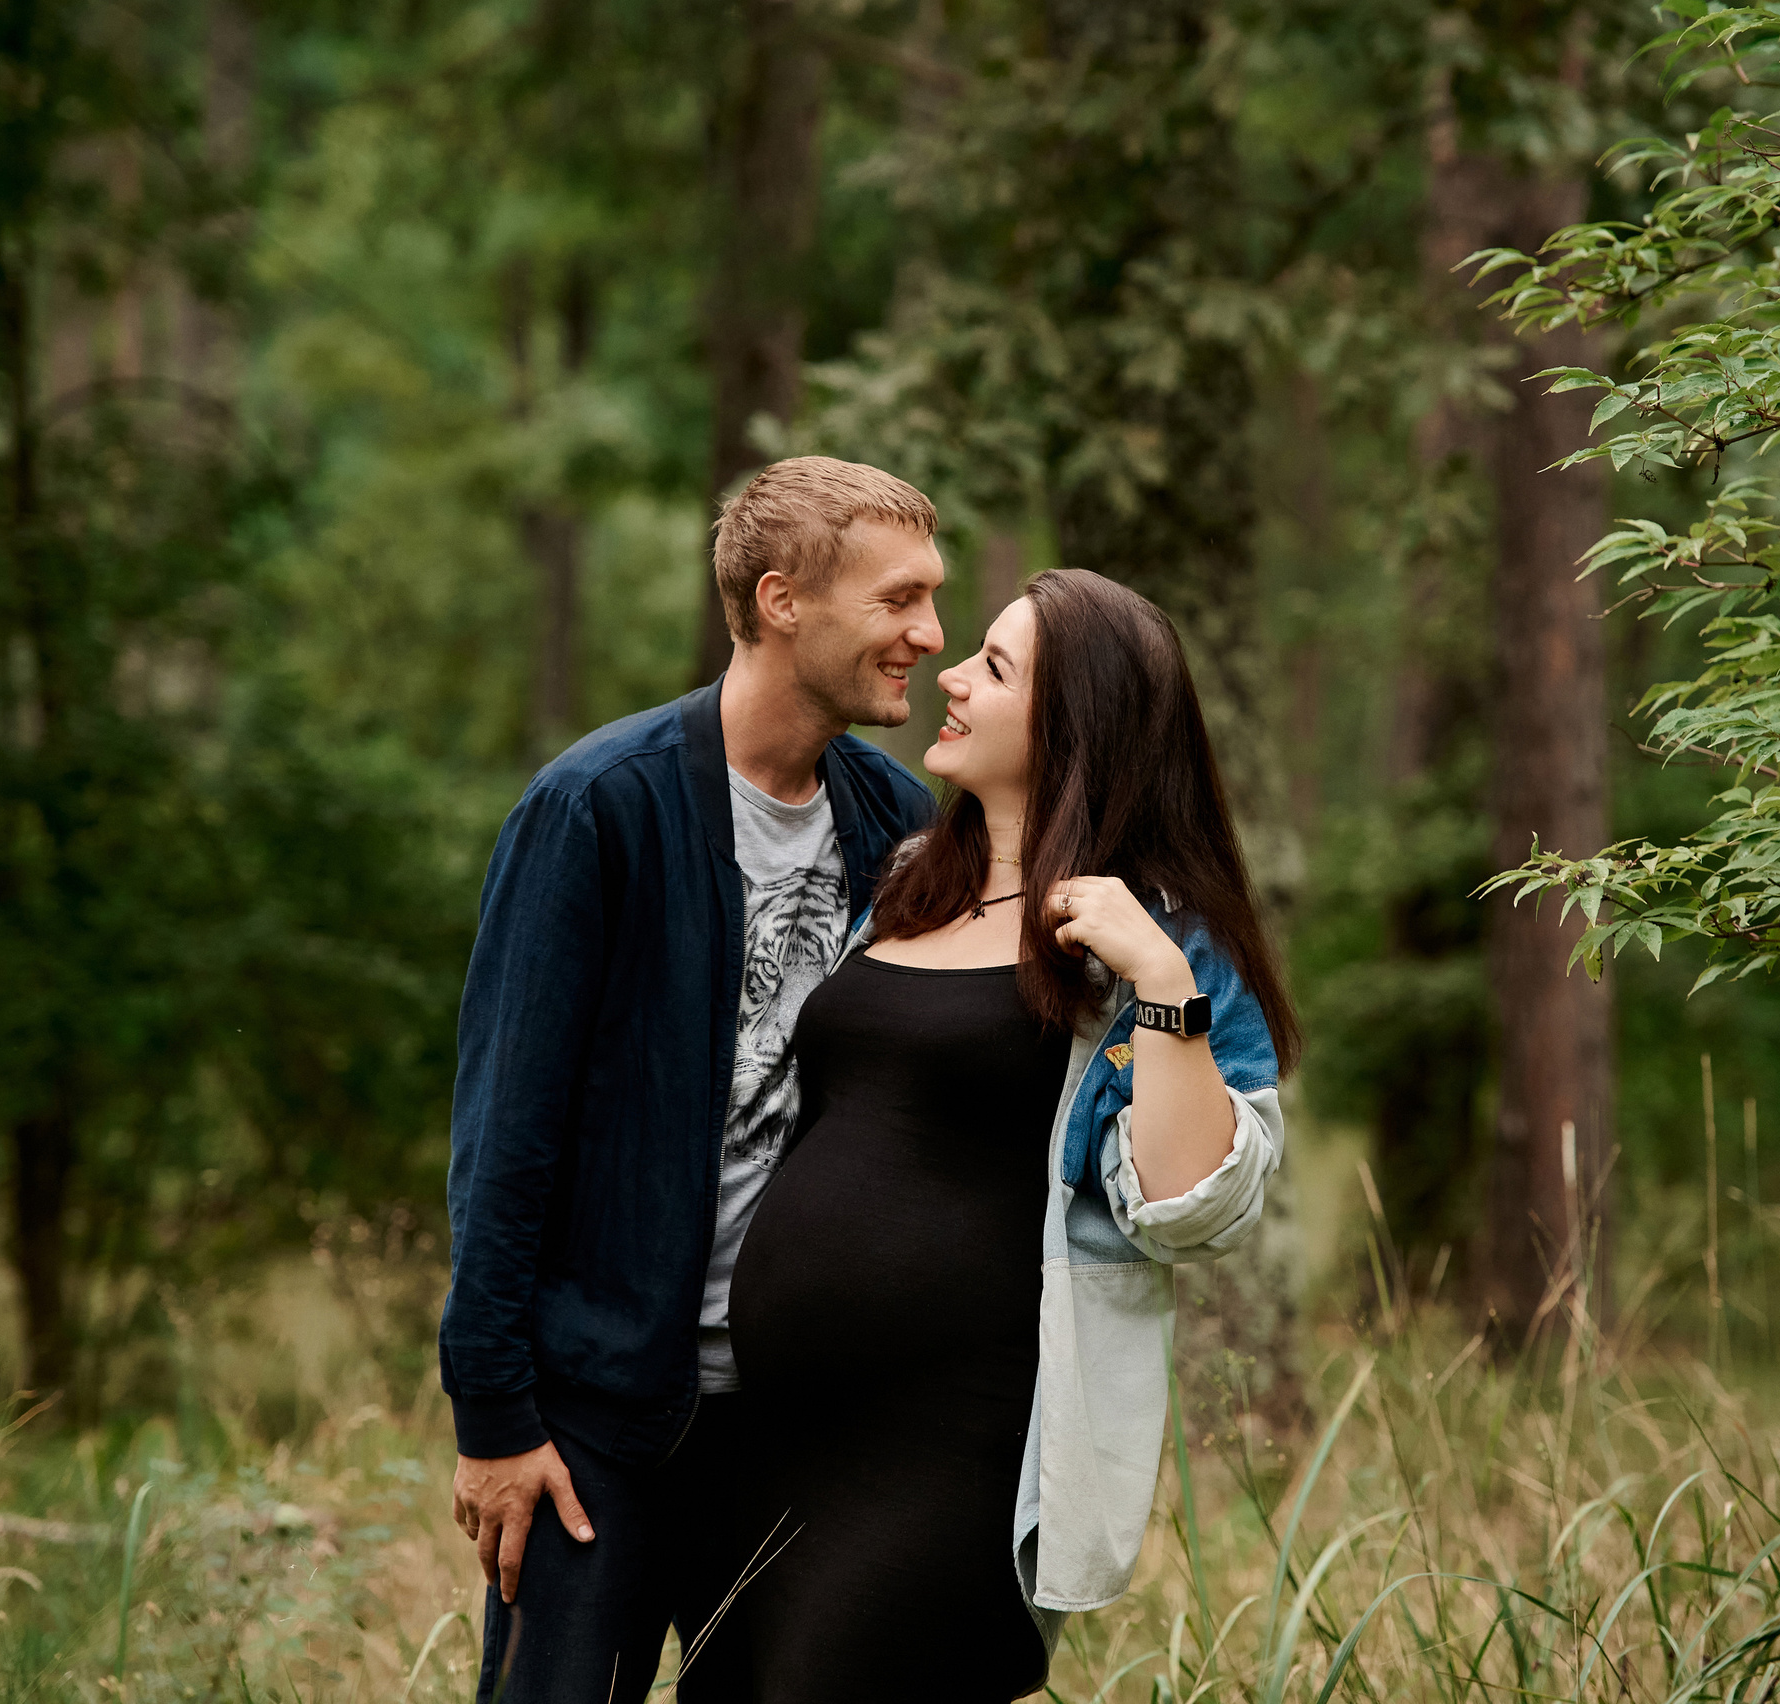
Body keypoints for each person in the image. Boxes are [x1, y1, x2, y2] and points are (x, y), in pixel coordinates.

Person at [728, 567, 1303, 1702]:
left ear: (1074, 726)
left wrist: (1160, 984)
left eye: (993, 667)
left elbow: (1192, 1210)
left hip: (957, 1441)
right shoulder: (904, 882)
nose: (948, 672)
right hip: (786, 1435)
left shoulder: (1158, 940)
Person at [439, 458, 945, 1703]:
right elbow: (507, 1133)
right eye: (898, 601)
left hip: (797, 1429)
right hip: (600, 1424)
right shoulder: (596, 810)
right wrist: (493, 1416)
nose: (930, 636)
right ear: (781, 601)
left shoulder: (895, 819)